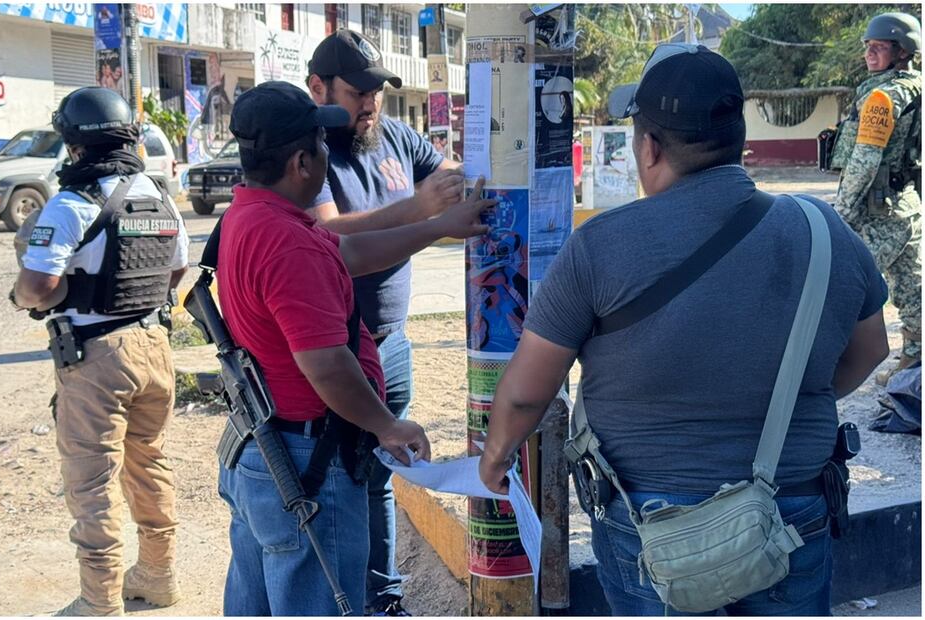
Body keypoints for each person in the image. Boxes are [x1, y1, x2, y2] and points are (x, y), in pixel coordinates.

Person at [478, 44, 891, 616]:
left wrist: (496, 456)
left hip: (651, 528)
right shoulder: (826, 232)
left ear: (648, 147)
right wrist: (779, 398)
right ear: (737, 135)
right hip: (791, 512)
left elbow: (527, 392)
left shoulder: (600, 245)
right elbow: (872, 350)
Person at [216, 81, 494, 616]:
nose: (327, 155)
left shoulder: (253, 214)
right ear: (301, 162)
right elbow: (325, 363)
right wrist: (385, 425)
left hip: (266, 447)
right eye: (321, 145)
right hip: (305, 460)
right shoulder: (286, 239)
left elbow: (349, 251)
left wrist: (437, 226)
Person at [11, 87, 190, 616]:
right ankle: (158, 577)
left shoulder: (70, 204)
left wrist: (55, 295)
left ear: (74, 145)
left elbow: (35, 289)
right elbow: (175, 272)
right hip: (156, 349)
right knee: (150, 463)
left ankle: (100, 601)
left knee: (92, 483)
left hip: (96, 359)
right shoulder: (158, 199)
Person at [305, 29, 466, 616]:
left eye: (376, 91)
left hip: (391, 343)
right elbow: (327, 236)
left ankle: (384, 600)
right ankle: (345, 601)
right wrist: (421, 211)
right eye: (357, 92)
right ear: (318, 88)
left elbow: (450, 175)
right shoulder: (310, 153)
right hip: (335, 349)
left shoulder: (396, 137)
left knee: (382, 474)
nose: (370, 104)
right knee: (338, 483)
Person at [832, 12, 921, 385]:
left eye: (879, 47)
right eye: (867, 47)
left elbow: (865, 159)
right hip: (908, 206)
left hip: (878, 212)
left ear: (902, 52)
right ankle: (914, 365)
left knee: (840, 286)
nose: (869, 53)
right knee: (912, 288)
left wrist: (840, 213)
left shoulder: (883, 97)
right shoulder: (915, 87)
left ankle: (827, 365)